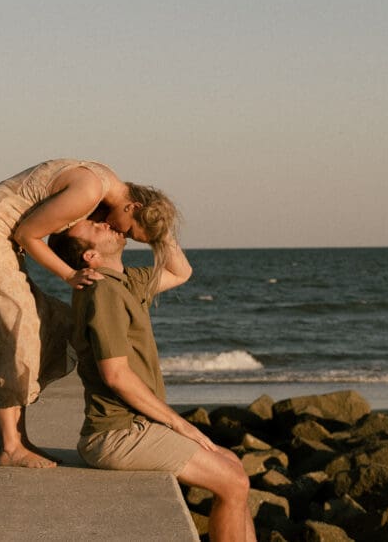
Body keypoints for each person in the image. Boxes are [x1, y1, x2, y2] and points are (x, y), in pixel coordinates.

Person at [0, 159, 180, 468]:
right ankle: (11, 446)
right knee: (17, 329)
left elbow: (178, 268)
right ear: (132, 207)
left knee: (54, 325)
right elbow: (28, 235)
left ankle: (19, 437)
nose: (119, 233)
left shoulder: (107, 185)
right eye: (130, 231)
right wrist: (70, 275)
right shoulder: (90, 191)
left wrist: (159, 226)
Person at [49, 219, 256, 542]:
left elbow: (180, 272)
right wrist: (180, 424)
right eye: (94, 227)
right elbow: (116, 376)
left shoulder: (126, 281)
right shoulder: (102, 292)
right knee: (233, 482)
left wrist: (158, 230)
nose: (104, 223)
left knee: (232, 464)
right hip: (116, 434)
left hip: (137, 425)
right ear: (89, 257)